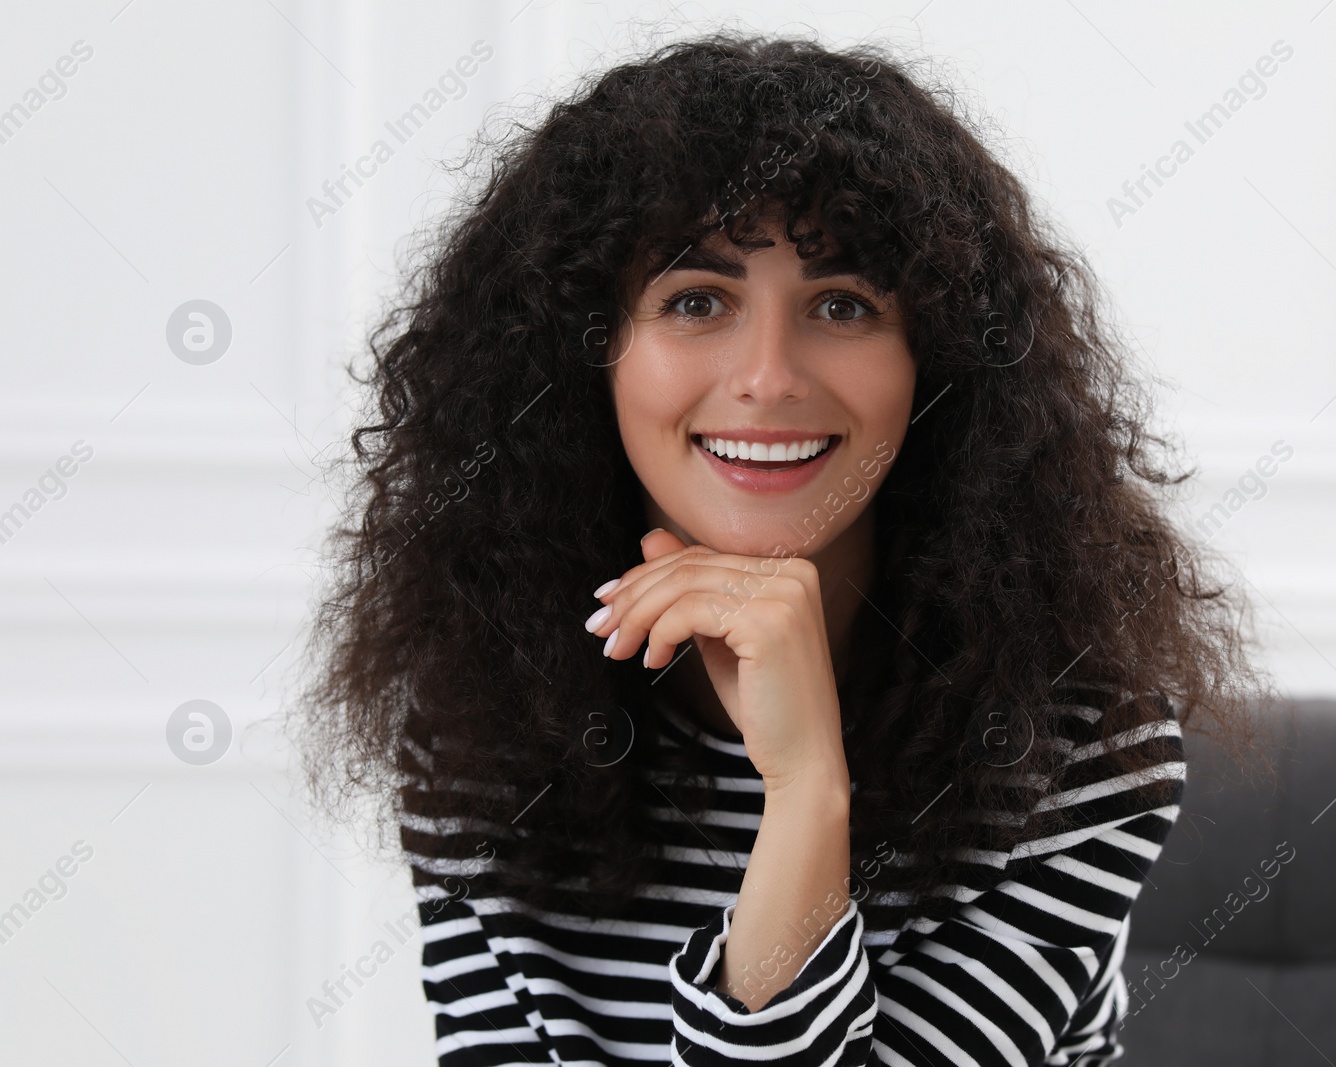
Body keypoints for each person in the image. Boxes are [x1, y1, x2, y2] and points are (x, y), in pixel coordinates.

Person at [297, 30, 1265, 1067]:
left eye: (841, 305)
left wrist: (805, 787)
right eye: (695, 301)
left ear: (933, 364)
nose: (766, 377)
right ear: (586, 356)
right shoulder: (477, 725)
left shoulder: (1076, 748)